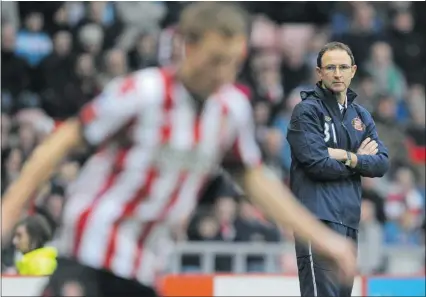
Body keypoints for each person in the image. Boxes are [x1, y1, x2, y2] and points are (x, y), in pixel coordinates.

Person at [2, 4, 356, 297]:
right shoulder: (142, 92)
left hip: (145, 264)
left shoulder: (231, 111)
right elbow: (61, 142)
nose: (223, 73)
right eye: (215, 59)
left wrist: (324, 239)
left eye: (233, 62)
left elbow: (254, 180)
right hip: (91, 248)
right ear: (187, 45)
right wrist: (7, 212)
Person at [287, 41, 389, 297]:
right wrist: (359, 162)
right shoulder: (305, 112)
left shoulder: (361, 115)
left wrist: (345, 156)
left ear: (353, 71)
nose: (337, 73)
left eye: (343, 67)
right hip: (316, 220)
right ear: (319, 72)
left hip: (349, 221)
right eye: (330, 67)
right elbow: (317, 165)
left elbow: (382, 163)